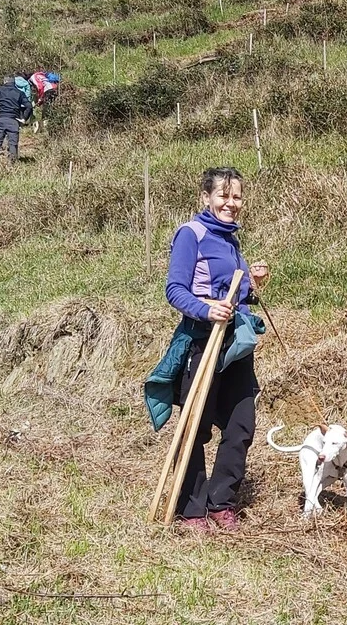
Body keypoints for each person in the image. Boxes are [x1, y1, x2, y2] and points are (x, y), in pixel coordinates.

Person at [144, 167, 270, 532]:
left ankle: (221, 502)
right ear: (206, 198)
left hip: (234, 345)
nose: (231, 203)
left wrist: (252, 284)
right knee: (195, 426)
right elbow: (175, 290)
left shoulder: (232, 240)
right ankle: (192, 508)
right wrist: (206, 309)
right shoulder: (191, 233)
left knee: (241, 425)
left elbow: (235, 295)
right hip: (202, 340)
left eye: (237, 197)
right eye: (223, 196)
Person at [0, 76, 33, 163]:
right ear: (14, 83)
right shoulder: (19, 93)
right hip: (13, 120)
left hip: (0, 119)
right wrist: (24, 118)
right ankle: (12, 163)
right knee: (13, 144)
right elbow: (29, 106)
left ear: (4, 82)